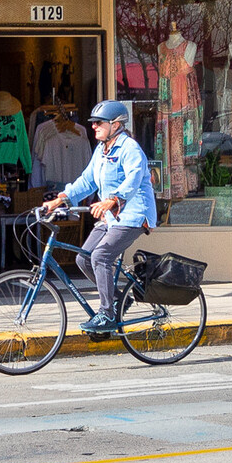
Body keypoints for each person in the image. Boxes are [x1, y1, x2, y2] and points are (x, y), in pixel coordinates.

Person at [40, 99, 157, 334]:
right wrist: (60, 199)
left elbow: (133, 179)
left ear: (116, 125)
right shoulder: (101, 150)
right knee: (84, 258)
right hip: (111, 218)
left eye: (99, 123)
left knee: (101, 256)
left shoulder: (129, 148)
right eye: (93, 123)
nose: (93, 127)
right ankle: (117, 299)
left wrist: (112, 200)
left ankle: (106, 314)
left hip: (133, 216)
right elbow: (87, 181)